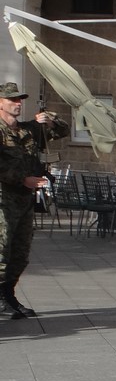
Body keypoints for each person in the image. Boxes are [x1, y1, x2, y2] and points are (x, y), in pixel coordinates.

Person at [0, 83, 66, 317]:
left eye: (19, 99)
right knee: (2, 251)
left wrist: (50, 120)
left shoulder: (28, 130)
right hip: (3, 200)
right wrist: (22, 179)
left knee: (20, 252)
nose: (17, 103)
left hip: (24, 201)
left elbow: (62, 131)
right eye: (11, 99)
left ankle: (8, 294)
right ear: (0, 102)